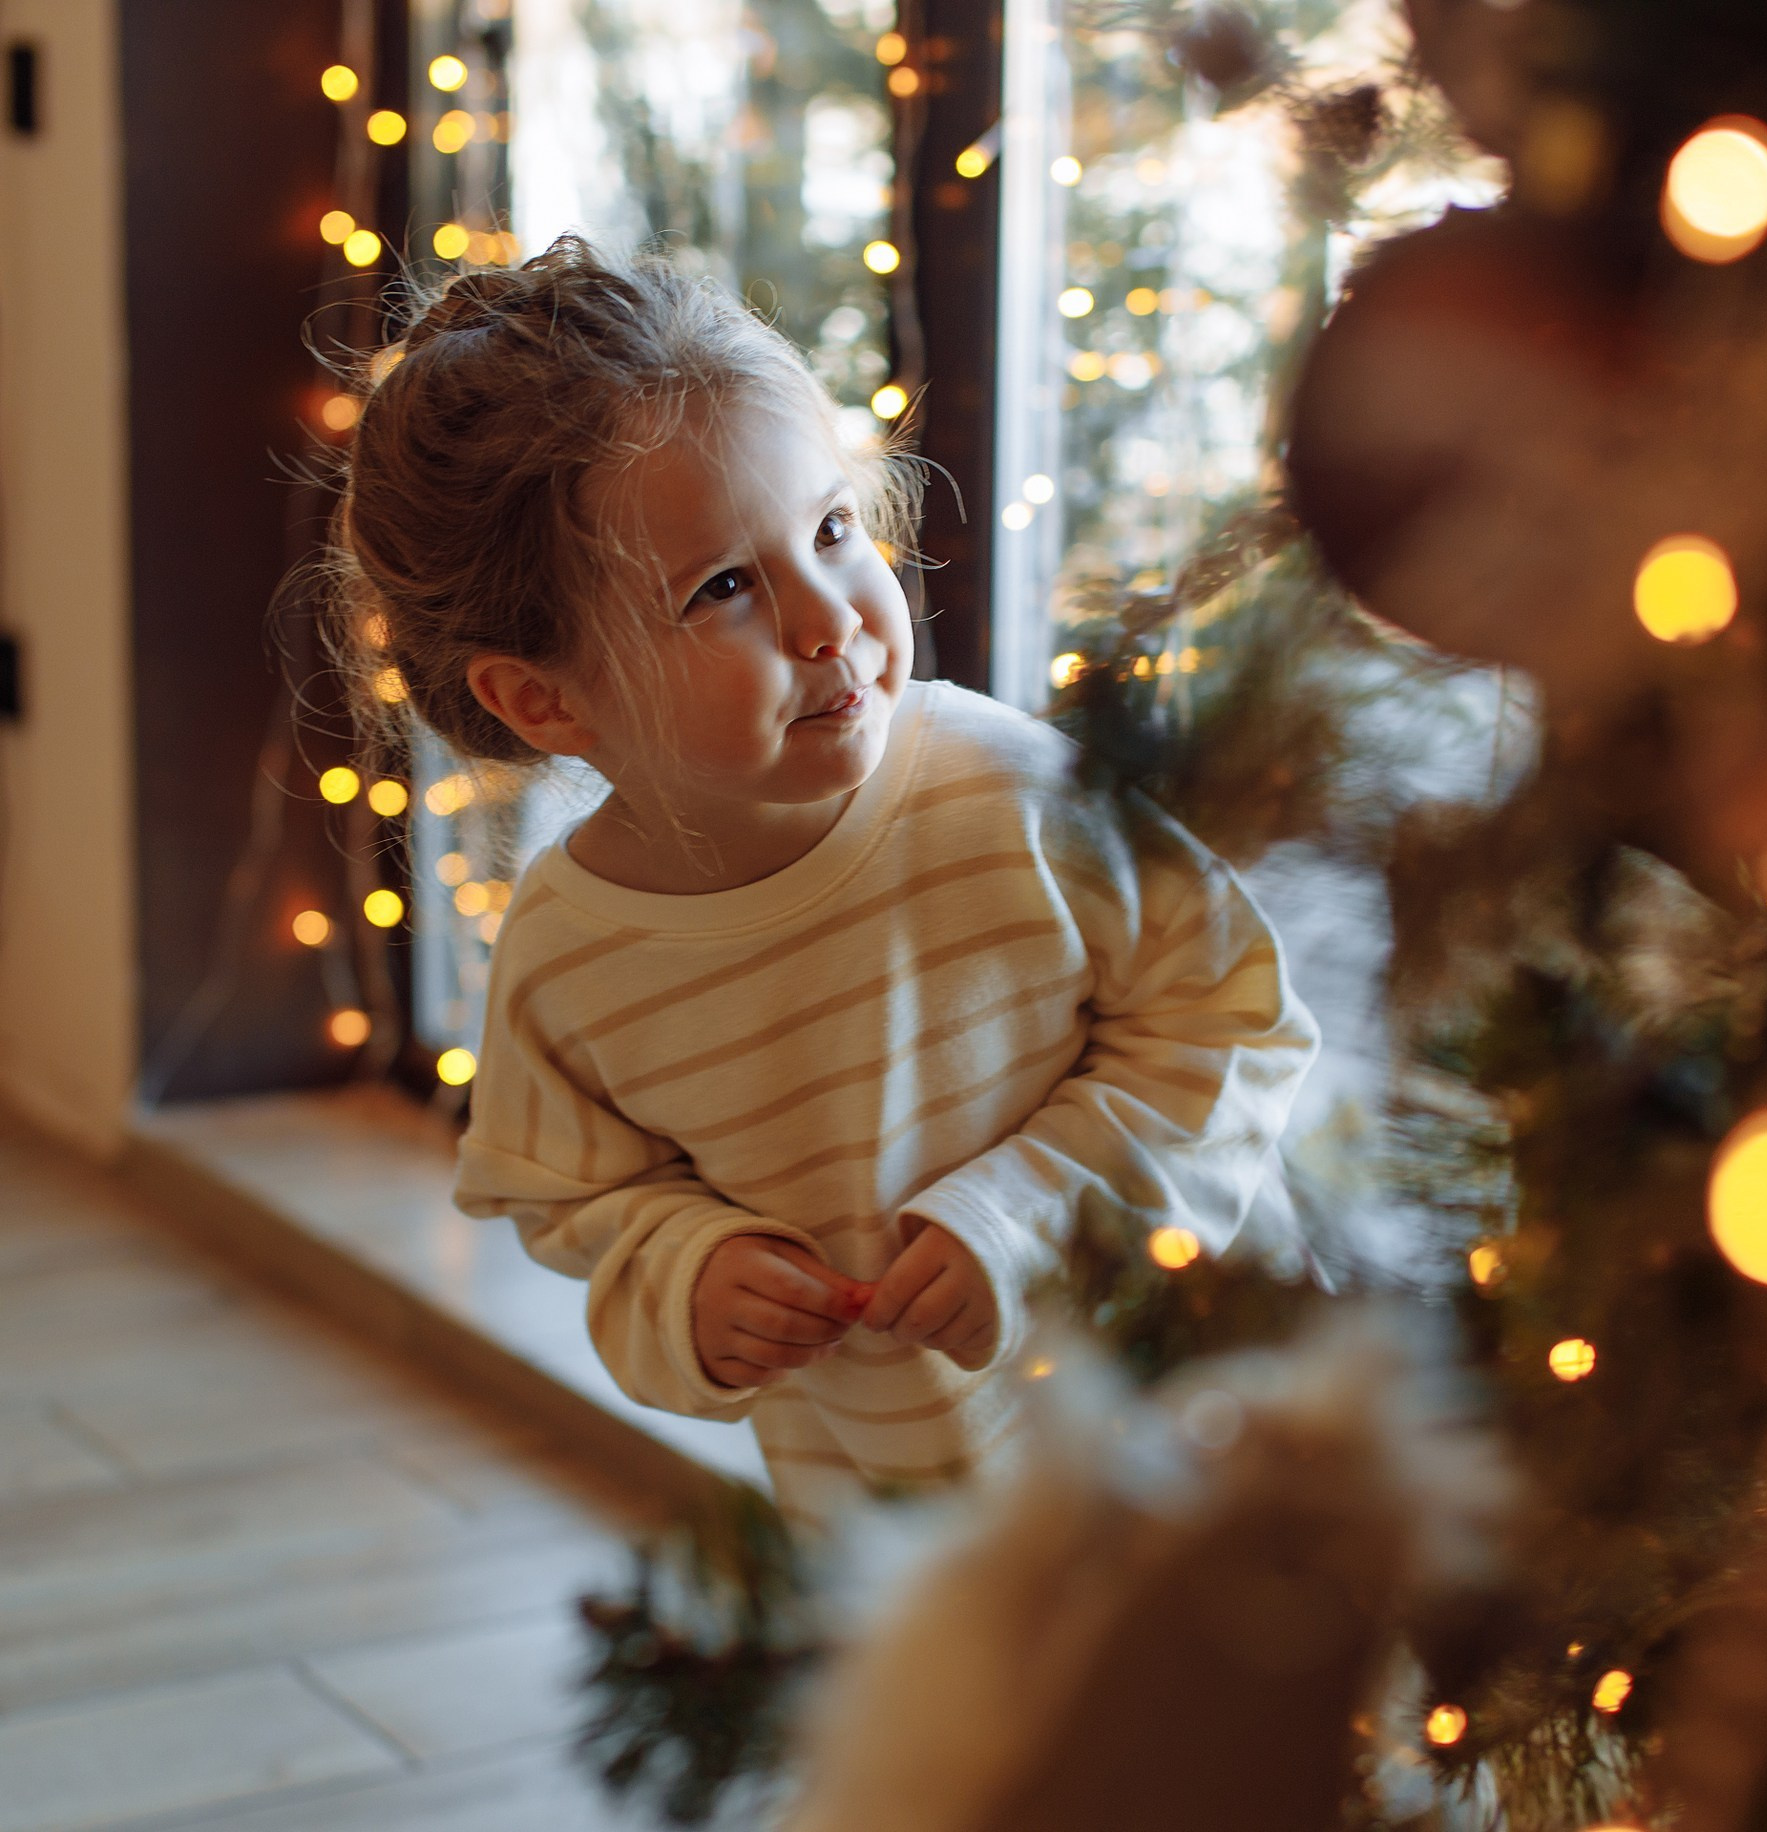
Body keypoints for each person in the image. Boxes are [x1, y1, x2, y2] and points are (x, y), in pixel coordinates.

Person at [329, 237, 1317, 1527]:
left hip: (1215, 1460)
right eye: (727, 587)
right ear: (545, 698)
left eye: (833, 530)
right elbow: (572, 1194)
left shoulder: (1013, 795)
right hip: (897, 1526)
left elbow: (1233, 1023)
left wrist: (1023, 1216)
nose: (832, 619)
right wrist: (689, 1272)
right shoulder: (569, 952)